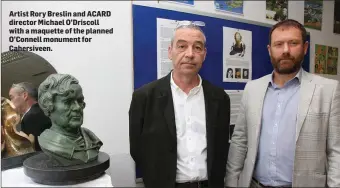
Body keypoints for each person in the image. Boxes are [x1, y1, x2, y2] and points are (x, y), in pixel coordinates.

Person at [225, 19, 340, 187]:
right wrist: (231, 182)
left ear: (305, 48)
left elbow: (335, 151)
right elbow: (240, 140)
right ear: (270, 50)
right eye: (279, 44)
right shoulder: (252, 89)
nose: (286, 50)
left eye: (293, 43)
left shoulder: (328, 90)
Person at [129, 20, 231, 188]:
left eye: (197, 47)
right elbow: (137, 150)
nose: (190, 54)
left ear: (204, 54)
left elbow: (221, 149)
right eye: (182, 46)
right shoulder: (144, 97)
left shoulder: (219, 98)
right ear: (170, 52)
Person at [37, 74, 103, 166]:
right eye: (68, 102)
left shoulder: (92, 139)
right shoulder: (48, 143)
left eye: (80, 101)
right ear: (48, 106)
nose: (77, 108)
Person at [9, 82, 52, 151]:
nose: (10, 102)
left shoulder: (31, 116)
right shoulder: (41, 111)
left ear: (24, 95)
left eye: (12, 97)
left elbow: (35, 149)